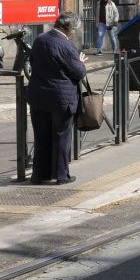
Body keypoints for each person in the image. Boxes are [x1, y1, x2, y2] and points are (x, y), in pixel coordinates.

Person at [27, 12, 87, 185]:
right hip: (61, 98)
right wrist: (80, 62)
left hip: (39, 96)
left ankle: (39, 175)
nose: (73, 33)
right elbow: (79, 72)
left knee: (41, 137)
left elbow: (32, 62)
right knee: (61, 137)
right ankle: (61, 175)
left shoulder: (40, 39)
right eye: (74, 30)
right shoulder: (66, 45)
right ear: (69, 28)